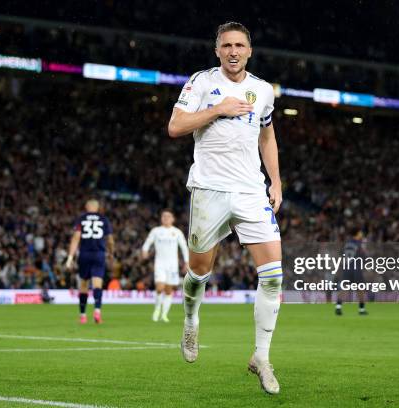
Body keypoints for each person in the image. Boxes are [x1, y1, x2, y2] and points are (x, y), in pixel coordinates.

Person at [168, 21, 282, 394]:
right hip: (209, 189)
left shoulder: (263, 91)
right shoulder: (201, 83)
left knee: (274, 277)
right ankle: (190, 319)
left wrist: (275, 181)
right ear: (217, 50)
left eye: (240, 45)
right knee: (198, 272)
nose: (233, 51)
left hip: (251, 191)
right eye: (226, 45)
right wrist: (217, 109)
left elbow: (267, 135)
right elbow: (175, 126)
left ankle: (261, 358)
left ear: (250, 50)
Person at [66, 199, 114, 324]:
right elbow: (110, 239)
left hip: (85, 254)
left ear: (87, 207)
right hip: (99, 254)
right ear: (97, 208)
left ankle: (82, 315)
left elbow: (76, 237)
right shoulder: (103, 219)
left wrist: (70, 257)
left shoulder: (81, 218)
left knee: (84, 285)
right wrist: (111, 253)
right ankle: (97, 312)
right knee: (97, 284)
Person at [142, 209, 189, 323]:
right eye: (164, 216)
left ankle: (164, 314)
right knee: (159, 288)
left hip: (172, 265)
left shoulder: (177, 232)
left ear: (173, 219)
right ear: (161, 219)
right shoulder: (156, 231)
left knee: (168, 291)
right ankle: (157, 308)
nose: (166, 218)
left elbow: (184, 247)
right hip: (160, 264)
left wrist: (187, 262)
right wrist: (145, 251)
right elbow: (148, 242)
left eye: (168, 216)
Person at [335, 228, 368, 316]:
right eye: (360, 233)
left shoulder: (347, 243)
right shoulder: (359, 244)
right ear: (357, 234)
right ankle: (361, 309)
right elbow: (364, 256)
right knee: (360, 289)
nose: (361, 234)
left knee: (344, 288)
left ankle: (338, 307)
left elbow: (341, 255)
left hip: (347, 268)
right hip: (356, 268)